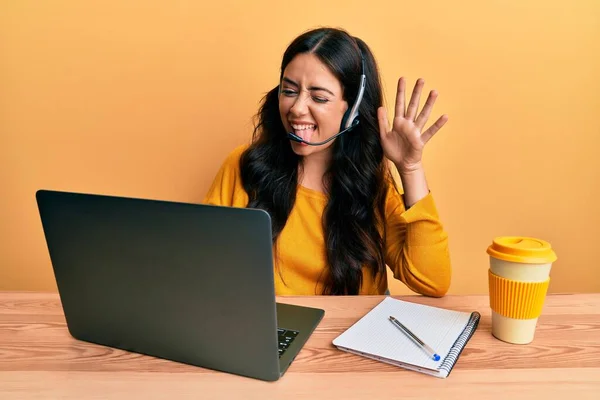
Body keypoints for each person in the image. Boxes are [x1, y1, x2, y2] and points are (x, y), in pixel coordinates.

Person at [203, 27, 451, 296]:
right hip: (269, 333)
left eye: (319, 97)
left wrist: (410, 169)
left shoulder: (373, 187)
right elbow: (202, 264)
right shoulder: (243, 166)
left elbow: (431, 280)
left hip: (345, 334)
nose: (297, 108)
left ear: (352, 109)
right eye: (289, 91)